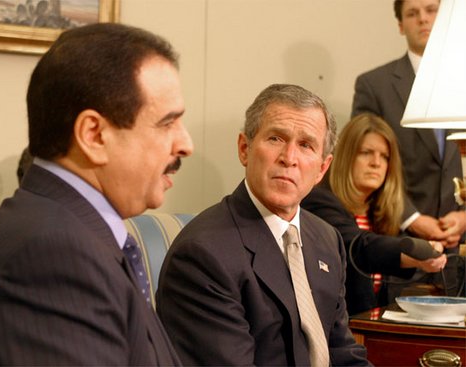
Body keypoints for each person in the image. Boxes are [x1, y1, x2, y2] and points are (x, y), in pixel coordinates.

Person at [0, 23, 193, 365]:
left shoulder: (61, 228)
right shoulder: (53, 257)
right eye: (167, 123)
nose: (186, 144)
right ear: (94, 135)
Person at [157, 84, 371, 366]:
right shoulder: (203, 254)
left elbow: (343, 351)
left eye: (306, 145)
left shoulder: (326, 238)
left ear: (322, 169)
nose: (289, 158)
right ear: (244, 149)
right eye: (276, 138)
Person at [351, 0, 463, 296]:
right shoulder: (374, 85)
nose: (423, 19)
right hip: (401, 249)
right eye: (412, 13)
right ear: (401, 25)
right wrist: (413, 219)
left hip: (460, 255)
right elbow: (363, 164)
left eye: (431, 10)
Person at [302, 113, 447, 316]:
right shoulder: (319, 200)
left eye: (384, 156)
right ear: (345, 157)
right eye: (366, 153)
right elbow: (359, 246)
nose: (376, 163)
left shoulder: (382, 214)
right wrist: (414, 256)